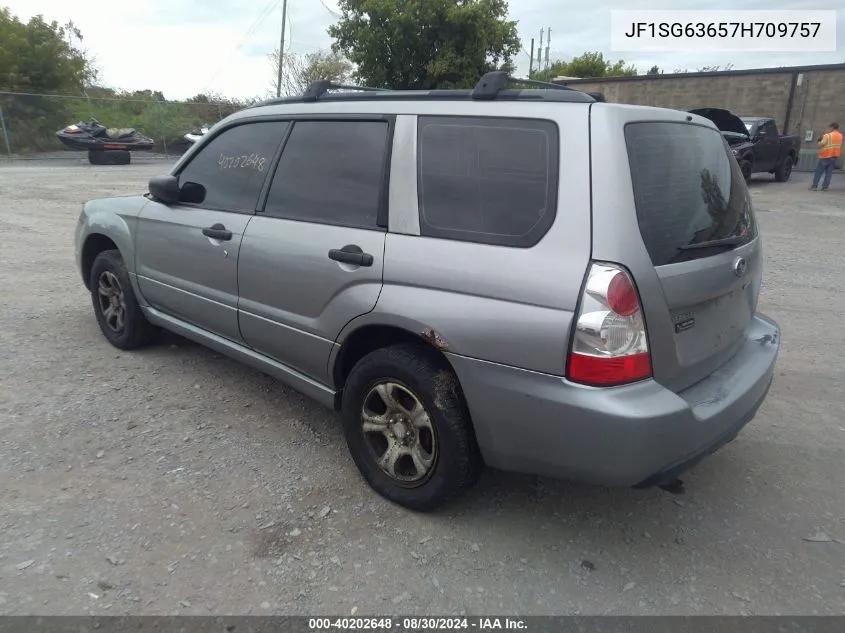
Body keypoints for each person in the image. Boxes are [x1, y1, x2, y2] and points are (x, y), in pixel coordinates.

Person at [810, 122, 842, 191]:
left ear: (832, 127)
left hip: (825, 156)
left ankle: (814, 186)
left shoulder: (827, 135)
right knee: (829, 173)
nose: (829, 129)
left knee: (819, 172)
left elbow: (822, 144)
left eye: (830, 127)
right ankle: (825, 187)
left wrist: (819, 142)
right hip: (834, 156)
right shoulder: (840, 136)